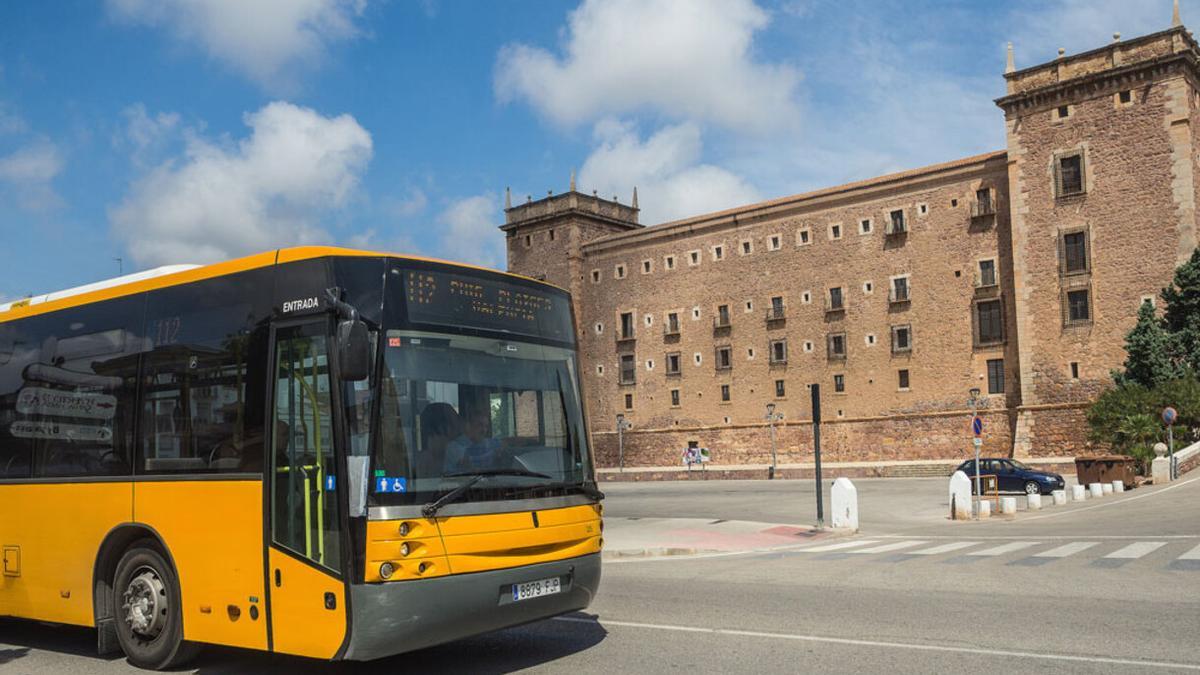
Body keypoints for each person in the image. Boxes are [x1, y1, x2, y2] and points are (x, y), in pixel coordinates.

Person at [445, 403, 503, 472]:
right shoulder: (454, 446)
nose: (484, 430)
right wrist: (494, 454)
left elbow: (505, 443)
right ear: (468, 426)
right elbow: (469, 467)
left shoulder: (486, 442)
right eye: (480, 425)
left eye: (486, 426)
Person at [416, 402, 461, 478]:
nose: (458, 431)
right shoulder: (422, 463)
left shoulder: (457, 454)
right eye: (453, 425)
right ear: (442, 427)